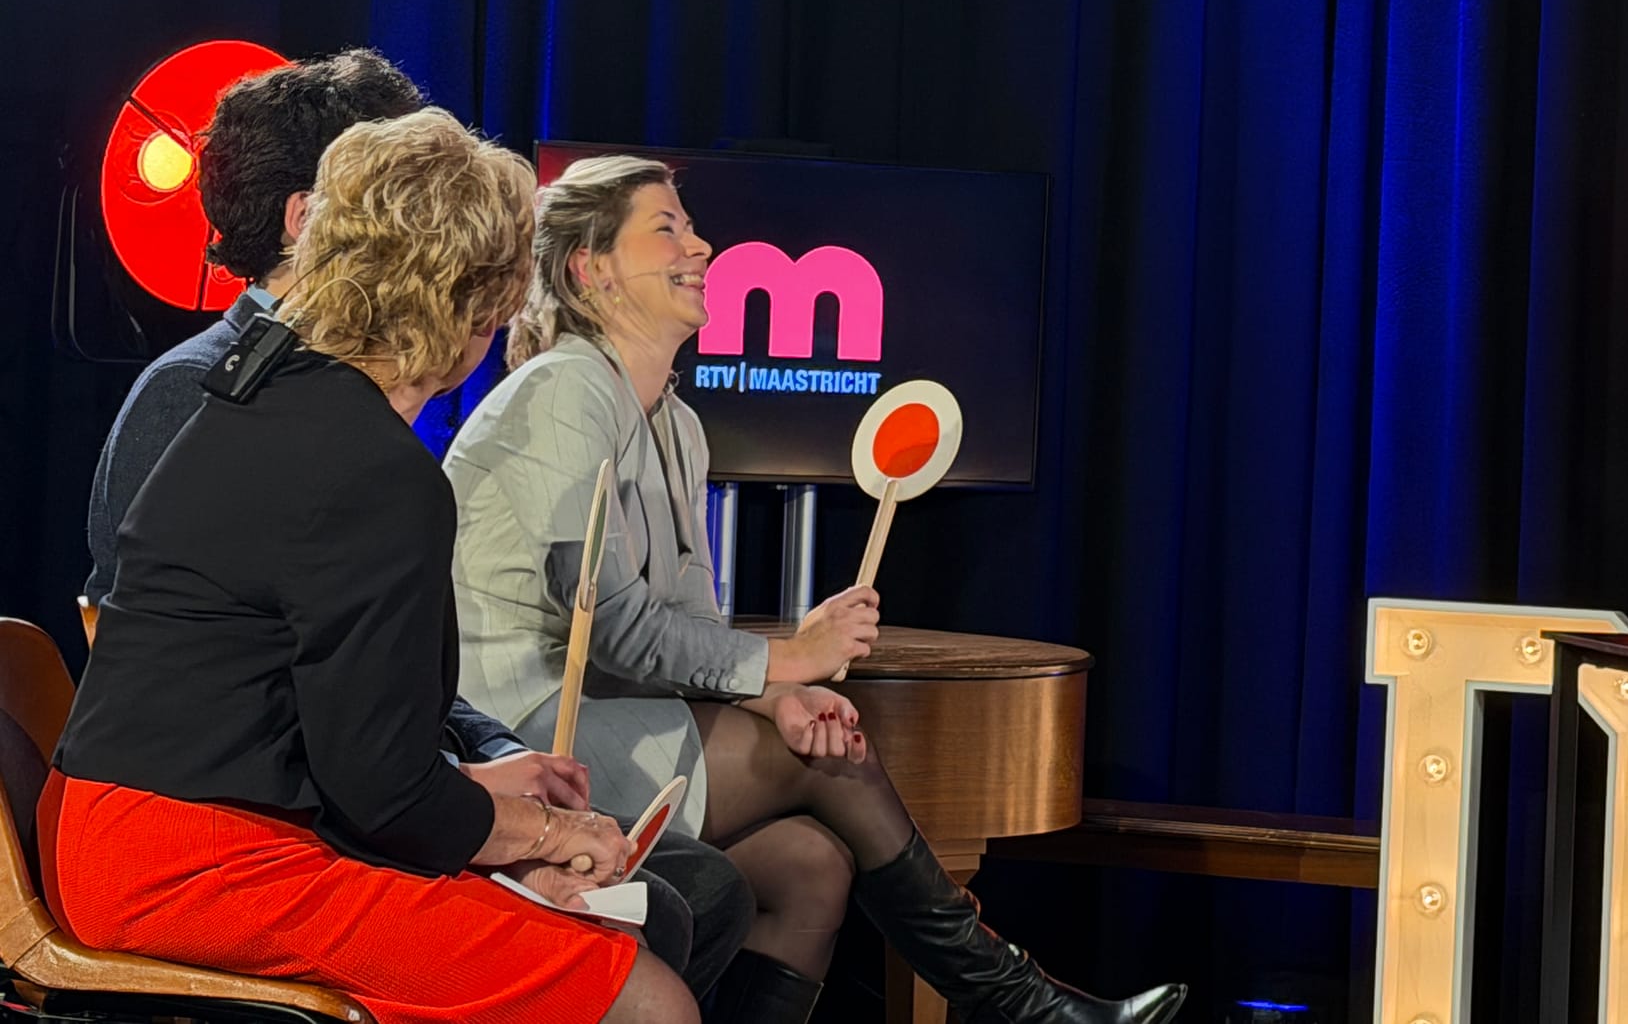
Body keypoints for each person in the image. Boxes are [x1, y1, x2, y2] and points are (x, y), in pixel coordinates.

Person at [447, 154, 1188, 1024]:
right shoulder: (564, 389)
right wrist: (792, 659)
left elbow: (687, 625)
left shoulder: (679, 425)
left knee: (810, 867)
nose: (702, 246)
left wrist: (779, 698)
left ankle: (1015, 1000)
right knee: (829, 762)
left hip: (617, 713)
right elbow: (608, 625)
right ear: (592, 268)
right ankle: (1015, 999)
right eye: (668, 229)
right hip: (528, 733)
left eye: (692, 227)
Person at [78, 50, 752, 995]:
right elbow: (380, 789)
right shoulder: (370, 463)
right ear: (475, 302)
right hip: (200, 858)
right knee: (646, 995)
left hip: (168, 828)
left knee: (628, 925)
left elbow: (339, 740)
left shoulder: (272, 395)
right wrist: (541, 834)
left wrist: (488, 799)